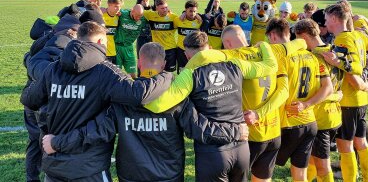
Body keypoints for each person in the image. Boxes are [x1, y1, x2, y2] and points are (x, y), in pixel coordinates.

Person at [40, 42, 249, 182]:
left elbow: (95, 131)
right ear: (165, 64)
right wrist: (235, 132)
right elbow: (200, 128)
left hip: (131, 175)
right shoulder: (175, 97)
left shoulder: (123, 97)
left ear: (139, 63)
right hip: (168, 175)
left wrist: (57, 143)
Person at [20, 22, 173, 181]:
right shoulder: (105, 72)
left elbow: (29, 99)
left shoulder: (53, 68)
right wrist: (165, 76)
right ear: (100, 41)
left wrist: (50, 111)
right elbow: (138, 93)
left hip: (54, 164)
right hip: (89, 168)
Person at [145, 31, 278, 182]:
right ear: (209, 47)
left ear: (187, 55)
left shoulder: (190, 74)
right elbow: (271, 67)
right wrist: (265, 45)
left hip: (212, 152)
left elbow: (157, 105)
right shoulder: (235, 64)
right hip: (242, 147)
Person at [220, 25, 307, 182]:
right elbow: (283, 92)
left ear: (228, 43)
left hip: (250, 134)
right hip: (273, 134)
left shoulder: (230, 58)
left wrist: (256, 114)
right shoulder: (272, 53)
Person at [265, 17, 333, 182]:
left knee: (263, 171)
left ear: (273, 37)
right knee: (300, 175)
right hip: (309, 123)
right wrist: (307, 104)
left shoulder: (280, 57)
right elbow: (328, 87)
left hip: (287, 123)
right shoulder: (313, 57)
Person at [322, 4, 368, 182]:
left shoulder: (342, 40)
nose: (324, 21)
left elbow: (351, 74)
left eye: (326, 18)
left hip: (349, 100)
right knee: (361, 142)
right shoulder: (358, 36)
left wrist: (360, 84)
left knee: (345, 146)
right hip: (362, 100)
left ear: (333, 18)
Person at [294, 19, 345, 182]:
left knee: (323, 166)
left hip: (321, 118)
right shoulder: (333, 50)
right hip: (334, 115)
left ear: (303, 36)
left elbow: (326, 88)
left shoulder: (316, 56)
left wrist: (306, 103)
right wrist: (337, 95)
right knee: (311, 161)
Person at [143, 0, 178, 72]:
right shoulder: (150, 15)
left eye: (166, 7)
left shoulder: (173, 17)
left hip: (170, 50)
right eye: (162, 8)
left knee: (170, 73)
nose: (165, 10)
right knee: (157, 71)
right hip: (157, 49)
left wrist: (184, 12)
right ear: (157, 8)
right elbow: (138, 11)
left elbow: (185, 20)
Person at [115, 4, 146, 78]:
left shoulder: (143, 19)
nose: (138, 18)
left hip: (129, 48)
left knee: (133, 74)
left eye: (140, 16)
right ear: (132, 11)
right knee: (116, 73)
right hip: (117, 47)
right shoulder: (122, 14)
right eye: (137, 15)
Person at [174, 0, 202, 73]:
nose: (192, 13)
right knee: (182, 72)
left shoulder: (199, 22)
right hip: (181, 51)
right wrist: (183, 13)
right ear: (186, 10)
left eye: (194, 11)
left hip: (194, 51)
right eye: (190, 11)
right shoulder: (178, 20)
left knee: (193, 72)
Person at [103, 0, 124, 64]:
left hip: (113, 52)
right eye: (116, 6)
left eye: (119, 7)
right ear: (109, 5)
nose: (118, 9)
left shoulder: (118, 17)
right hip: (102, 52)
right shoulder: (101, 15)